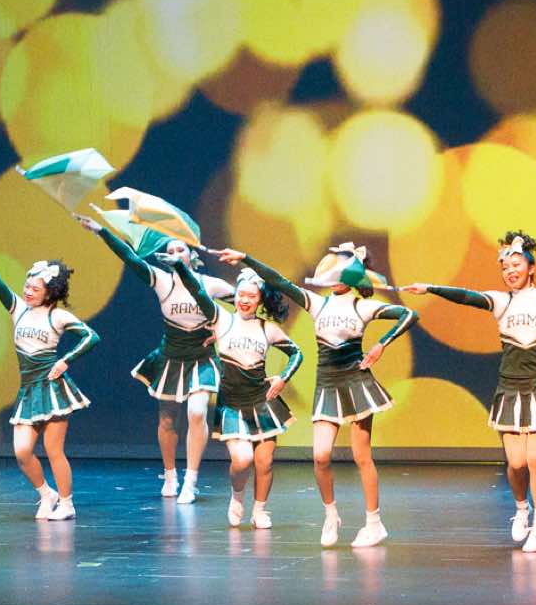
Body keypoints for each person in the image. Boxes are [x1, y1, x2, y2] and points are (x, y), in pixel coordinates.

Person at [217, 243, 416, 546]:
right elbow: (279, 281)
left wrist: (381, 345)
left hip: (356, 383)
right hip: (327, 385)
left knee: (362, 456)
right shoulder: (316, 303)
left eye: (340, 273)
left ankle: (374, 523)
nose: (333, 278)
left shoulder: (362, 307)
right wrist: (246, 258)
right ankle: (331, 515)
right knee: (320, 456)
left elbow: (409, 314)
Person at [402, 230, 536, 552]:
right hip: (509, 389)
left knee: (535, 458)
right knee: (516, 463)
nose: (510, 271)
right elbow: (466, 296)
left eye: (516, 265)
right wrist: (430, 288)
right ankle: (521, 509)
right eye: (505, 267)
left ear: (531, 267)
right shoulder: (501, 302)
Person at [79, 217, 235, 504]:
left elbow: (246, 306)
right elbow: (130, 258)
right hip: (171, 358)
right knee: (167, 419)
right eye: (170, 251)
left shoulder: (211, 285)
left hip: (201, 358)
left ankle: (191, 481)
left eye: (180, 250)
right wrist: (102, 231)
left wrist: (223, 329)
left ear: (191, 254)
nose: (175, 254)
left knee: (197, 412)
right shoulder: (162, 281)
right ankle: (170, 474)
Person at [0, 245, 99, 521]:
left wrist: (65, 361)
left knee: (54, 450)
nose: (28, 291)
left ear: (49, 293)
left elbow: (91, 337)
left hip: (52, 389)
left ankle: (67, 504)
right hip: (28, 391)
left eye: (35, 289)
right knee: (22, 452)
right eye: (27, 286)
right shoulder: (18, 309)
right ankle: (46, 494)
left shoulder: (58, 316)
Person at [171, 258, 303, 532]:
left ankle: (260, 510)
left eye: (251, 296)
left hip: (263, 403)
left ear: (260, 299)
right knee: (242, 461)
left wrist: (283, 378)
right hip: (232, 405)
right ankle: (237, 497)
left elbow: (296, 353)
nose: (244, 300)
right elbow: (197, 291)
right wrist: (180, 267)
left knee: (264, 463)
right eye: (241, 294)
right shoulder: (222, 319)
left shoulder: (267, 328)